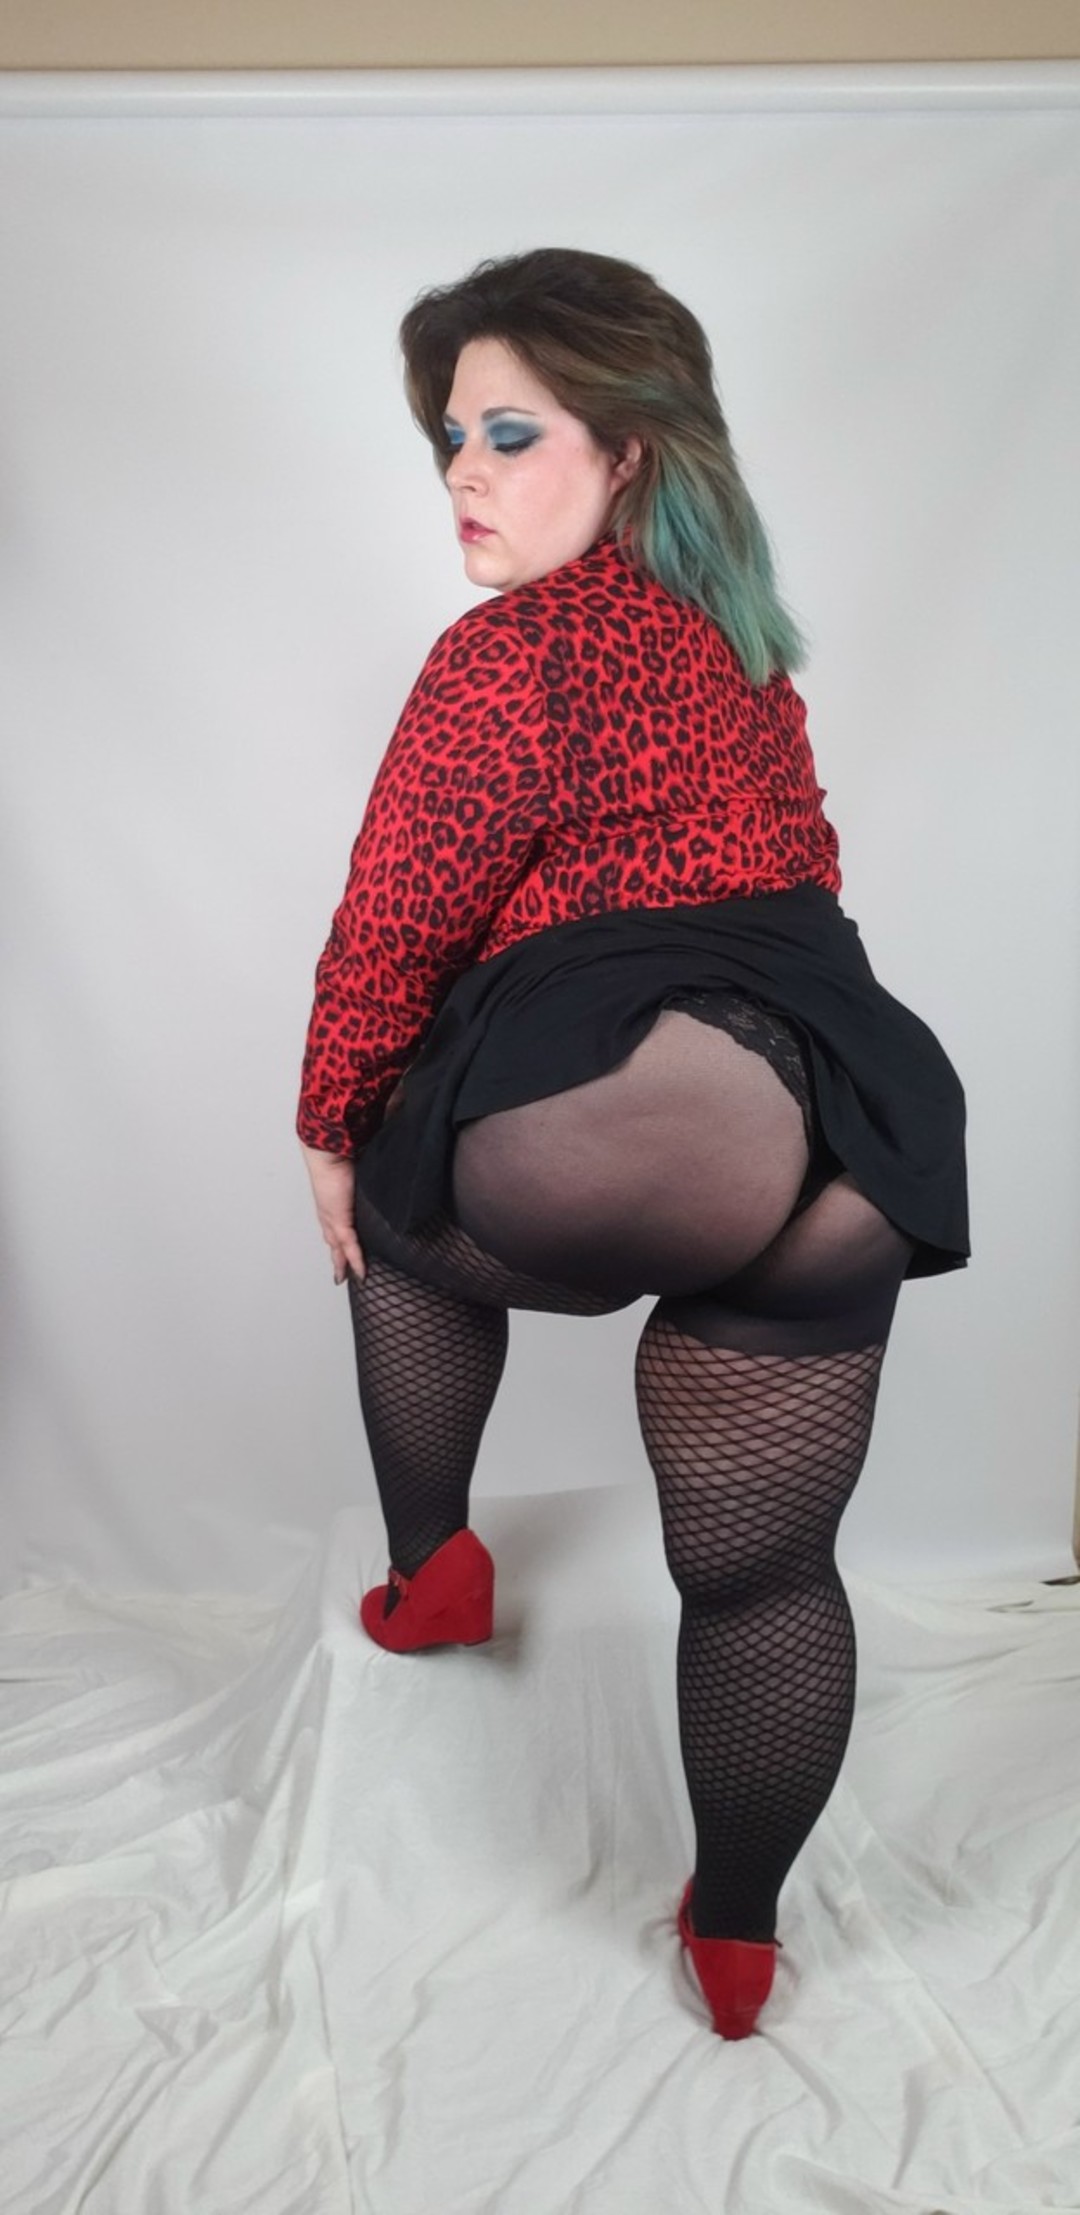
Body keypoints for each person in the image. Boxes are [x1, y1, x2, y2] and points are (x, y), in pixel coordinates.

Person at [297, 247, 968, 2040]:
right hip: (843, 1109)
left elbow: (395, 926)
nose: (463, 472)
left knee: (401, 1210)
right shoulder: (751, 660)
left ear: (635, 450)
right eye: (452, 437)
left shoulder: (510, 652)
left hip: (636, 1100)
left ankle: (435, 1570)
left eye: (510, 433)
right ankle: (737, 1938)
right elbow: (807, 870)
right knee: (767, 1574)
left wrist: (329, 1127)